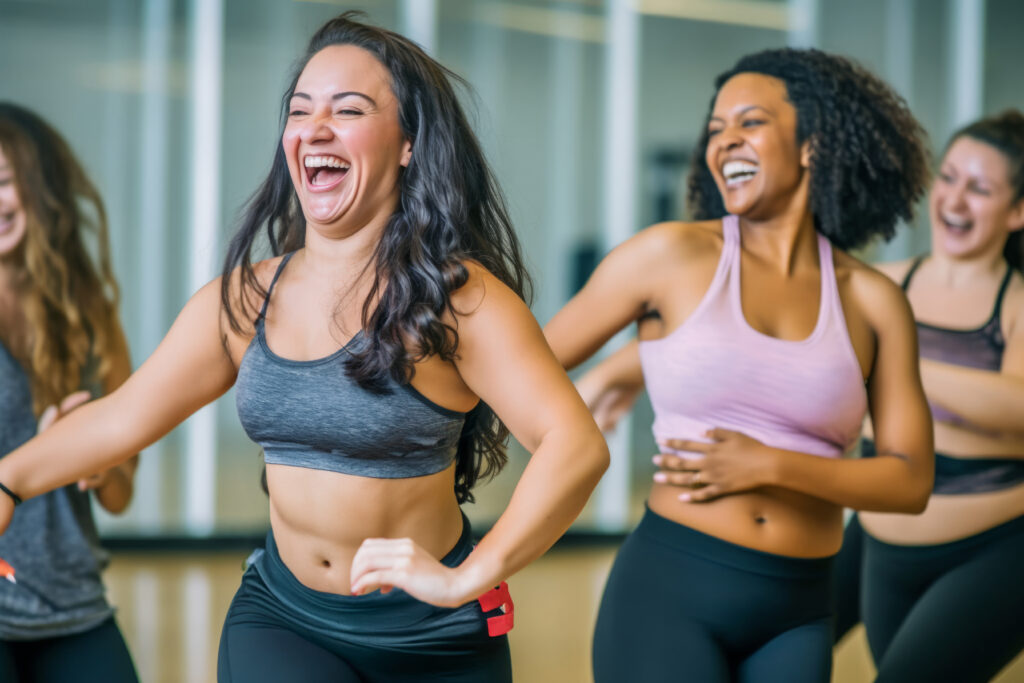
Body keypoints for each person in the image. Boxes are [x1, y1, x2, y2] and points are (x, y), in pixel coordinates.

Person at [0, 13, 608, 683]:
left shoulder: (458, 301)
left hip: (432, 636)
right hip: (283, 619)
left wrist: (477, 572)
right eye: (300, 110)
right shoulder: (245, 299)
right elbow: (123, 416)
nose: (315, 127)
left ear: (408, 143)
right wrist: (10, 478)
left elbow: (573, 443)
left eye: (348, 110)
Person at [543, 48, 933, 683]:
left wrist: (769, 464)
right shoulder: (668, 255)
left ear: (812, 142)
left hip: (800, 612)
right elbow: (527, 364)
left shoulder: (873, 300)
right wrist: (578, 426)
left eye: (749, 122)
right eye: (715, 129)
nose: (724, 143)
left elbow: (909, 481)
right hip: (671, 593)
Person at [832, 110, 1024, 683]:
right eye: (949, 177)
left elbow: (1017, 409)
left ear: (1017, 211)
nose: (955, 199)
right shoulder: (881, 283)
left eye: (980, 188)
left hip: (995, 552)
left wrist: (894, 360)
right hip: (879, 545)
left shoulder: (1014, 307)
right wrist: (622, 371)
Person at [0, 103, 138, 682]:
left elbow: (119, 495)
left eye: (5, 181)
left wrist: (91, 460)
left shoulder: (90, 313)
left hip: (72, 602)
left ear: (39, 189)